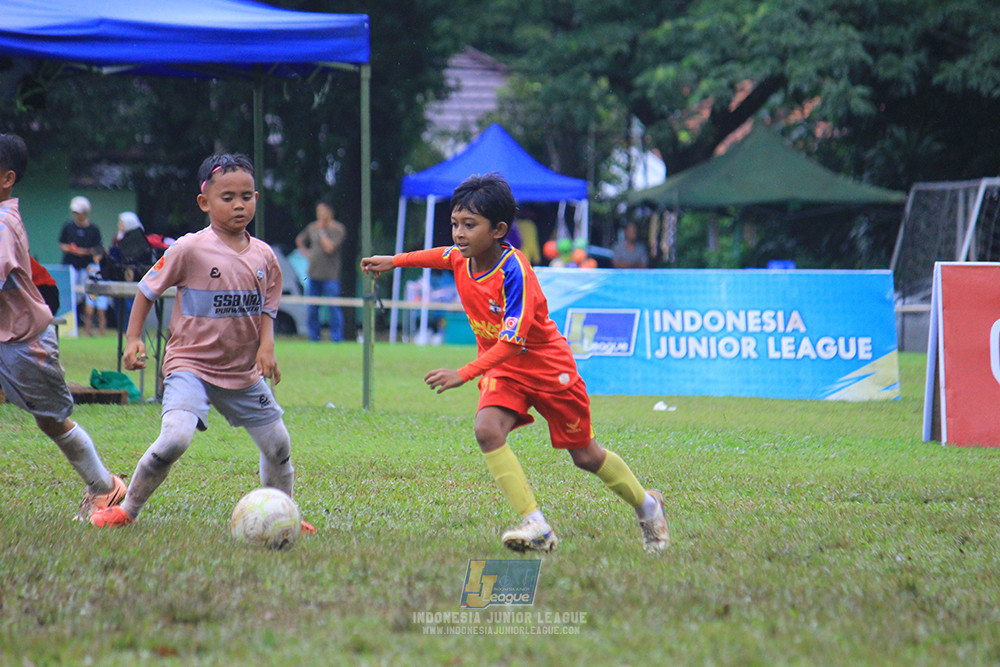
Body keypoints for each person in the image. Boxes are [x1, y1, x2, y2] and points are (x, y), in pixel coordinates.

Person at [360, 172, 669, 554]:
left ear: (498, 230)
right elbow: (439, 256)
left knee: (585, 455)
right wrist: (395, 261)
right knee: (487, 430)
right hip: (504, 370)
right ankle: (536, 525)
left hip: (546, 367)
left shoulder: (514, 270)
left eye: (469, 225)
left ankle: (648, 506)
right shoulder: (462, 258)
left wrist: (463, 373)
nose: (458, 233)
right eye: (455, 223)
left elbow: (513, 342)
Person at [89, 153, 314, 534]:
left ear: (257, 197)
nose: (239, 204)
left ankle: (283, 512)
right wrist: (132, 339)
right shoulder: (189, 248)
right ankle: (127, 509)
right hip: (189, 366)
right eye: (228, 197)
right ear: (204, 202)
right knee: (175, 438)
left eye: (247, 196)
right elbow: (146, 290)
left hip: (241, 373)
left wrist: (266, 346)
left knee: (278, 444)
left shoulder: (264, 256)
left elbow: (269, 304)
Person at [0, 133, 126, 517]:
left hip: (24, 343)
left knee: (52, 422)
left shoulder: (4, 225)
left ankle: (105, 488)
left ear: (6, 179)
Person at [295, 200, 346, 342]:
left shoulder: (338, 229)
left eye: (322, 211)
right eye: (318, 212)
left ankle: (336, 338)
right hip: (313, 274)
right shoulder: (312, 227)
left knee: (333, 308)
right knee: (312, 309)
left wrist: (322, 232)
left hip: (330, 276)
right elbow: (299, 240)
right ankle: (314, 338)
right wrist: (307, 254)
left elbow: (330, 248)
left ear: (330, 212)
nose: (320, 215)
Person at [58, 196, 103, 299]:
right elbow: (62, 244)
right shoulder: (68, 226)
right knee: (69, 291)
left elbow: (98, 248)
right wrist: (71, 249)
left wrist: (85, 252)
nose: (76, 215)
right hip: (71, 265)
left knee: (85, 293)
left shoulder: (94, 229)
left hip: (86, 266)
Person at [81, 250, 109, 336]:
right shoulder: (90, 266)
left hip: (102, 291)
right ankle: (87, 332)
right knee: (89, 312)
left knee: (101, 313)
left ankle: (101, 333)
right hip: (92, 292)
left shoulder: (106, 266)